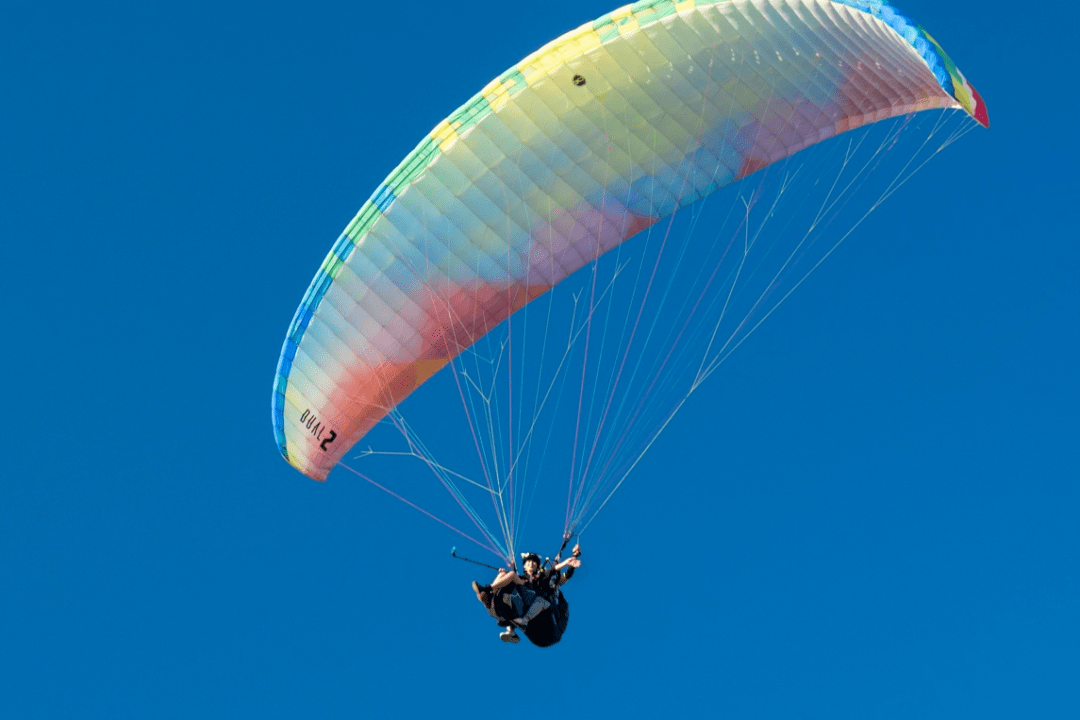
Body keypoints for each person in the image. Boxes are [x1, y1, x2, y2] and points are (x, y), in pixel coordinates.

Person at [471, 544, 581, 645]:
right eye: (528, 562)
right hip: (530, 620)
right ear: (524, 566)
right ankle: (488, 598)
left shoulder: (542, 577)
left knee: (538, 598)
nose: (531, 564)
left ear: (538, 565)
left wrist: (570, 561)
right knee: (504, 575)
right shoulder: (522, 579)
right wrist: (502, 574)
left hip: (547, 625)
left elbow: (556, 571)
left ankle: (487, 589)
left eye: (534, 562)